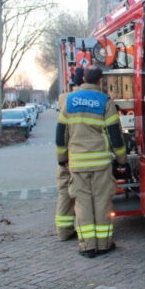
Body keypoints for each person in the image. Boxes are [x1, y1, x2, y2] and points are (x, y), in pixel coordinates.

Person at [56, 65, 127, 258]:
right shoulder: (105, 101)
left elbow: (61, 134)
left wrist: (62, 159)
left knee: (82, 204)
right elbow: (115, 135)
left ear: (83, 79)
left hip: (78, 164)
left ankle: (87, 246)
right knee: (102, 202)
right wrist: (122, 160)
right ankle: (104, 244)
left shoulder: (69, 101)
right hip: (101, 164)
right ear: (100, 80)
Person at [53, 69, 83, 241]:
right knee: (84, 195)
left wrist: (61, 159)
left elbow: (60, 135)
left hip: (67, 156)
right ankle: (87, 233)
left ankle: (63, 231)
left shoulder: (64, 99)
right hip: (82, 156)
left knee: (65, 193)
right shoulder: (89, 99)